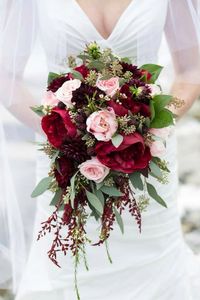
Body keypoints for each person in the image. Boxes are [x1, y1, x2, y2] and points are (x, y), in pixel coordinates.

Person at [0, 0, 200, 299]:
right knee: (66, 265)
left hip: (145, 158)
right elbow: (6, 77)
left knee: (154, 265)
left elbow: (191, 70)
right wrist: (62, 133)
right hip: (67, 162)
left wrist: (151, 128)